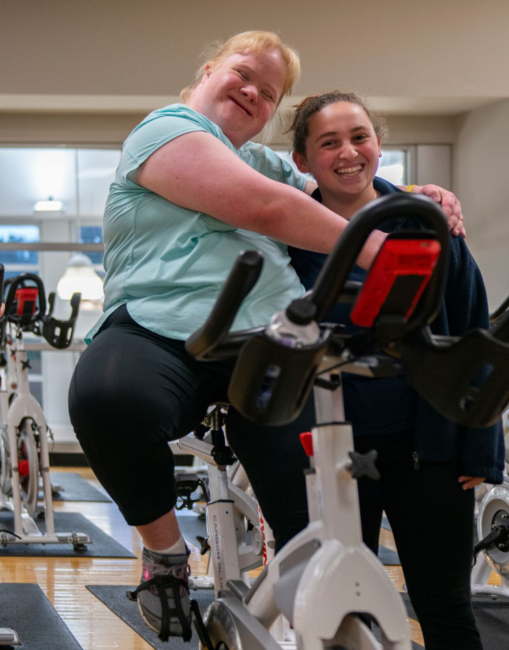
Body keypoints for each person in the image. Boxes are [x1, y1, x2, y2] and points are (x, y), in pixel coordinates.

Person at [67, 32, 464, 641]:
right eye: (242, 74)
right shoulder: (164, 130)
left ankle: (307, 603)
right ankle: (167, 559)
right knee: (106, 399)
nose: (253, 92)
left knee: (315, 523)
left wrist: (416, 197)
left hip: (268, 340)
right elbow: (268, 210)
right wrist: (381, 246)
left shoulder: (270, 163)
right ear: (206, 72)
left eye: (270, 92)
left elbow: (341, 193)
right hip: (157, 331)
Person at [237, 92, 504, 650]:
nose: (349, 152)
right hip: (324, 458)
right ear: (303, 161)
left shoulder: (427, 224)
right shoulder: (282, 236)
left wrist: (480, 447)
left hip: (428, 450)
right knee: (335, 613)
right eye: (328, 142)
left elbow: (474, 333)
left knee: (446, 605)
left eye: (360, 137)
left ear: (378, 144)